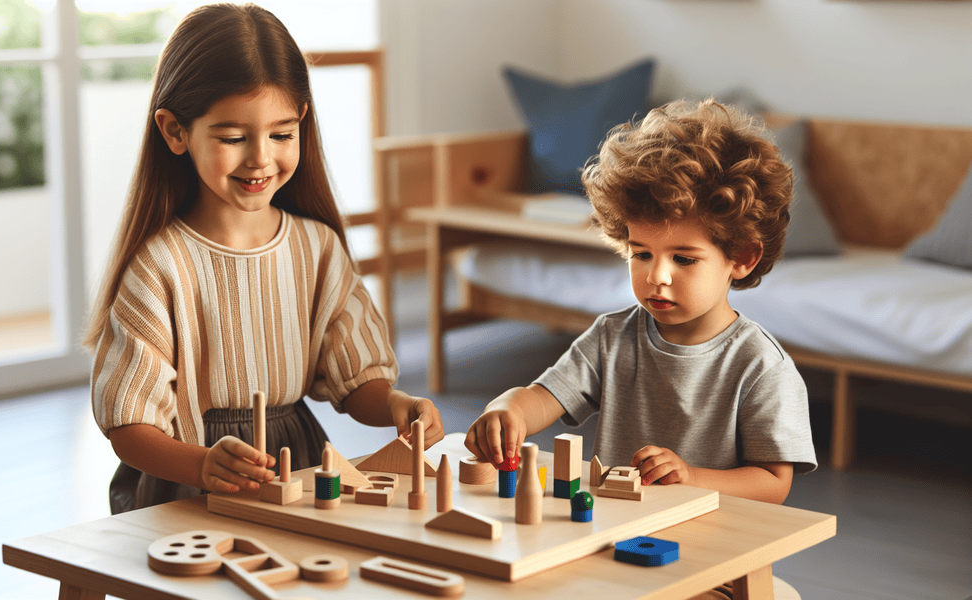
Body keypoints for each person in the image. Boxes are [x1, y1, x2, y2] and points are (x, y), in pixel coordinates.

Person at [85, 3, 443, 514]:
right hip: (186, 484)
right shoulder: (159, 265)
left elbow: (357, 377)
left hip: (295, 470)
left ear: (301, 119)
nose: (260, 158)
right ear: (174, 131)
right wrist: (202, 464)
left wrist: (395, 406)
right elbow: (128, 424)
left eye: (281, 134)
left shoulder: (317, 248)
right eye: (232, 137)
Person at [465, 99, 817, 507]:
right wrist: (508, 409)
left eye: (683, 259)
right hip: (617, 533)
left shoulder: (761, 365)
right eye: (641, 254)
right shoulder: (612, 338)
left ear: (741, 258)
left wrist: (691, 477)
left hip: (713, 544)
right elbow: (543, 397)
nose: (656, 276)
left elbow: (774, 483)